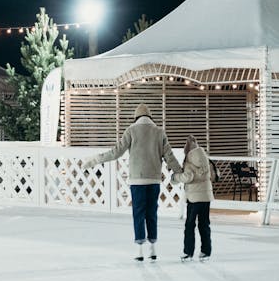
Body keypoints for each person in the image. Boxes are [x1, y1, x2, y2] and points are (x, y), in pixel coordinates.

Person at [83, 103, 182, 262]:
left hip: (137, 180)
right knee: (151, 213)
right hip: (154, 179)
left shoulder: (131, 131)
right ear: (150, 117)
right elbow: (169, 156)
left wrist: (95, 160)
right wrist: (179, 172)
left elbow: (116, 152)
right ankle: (153, 247)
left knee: (138, 213)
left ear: (136, 117)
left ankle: (139, 249)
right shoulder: (159, 132)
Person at [171, 134, 213, 262]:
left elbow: (187, 177)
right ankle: (206, 251)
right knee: (204, 224)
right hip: (206, 197)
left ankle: (188, 252)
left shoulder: (190, 160)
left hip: (194, 198)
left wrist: (175, 178)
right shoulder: (204, 158)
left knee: (190, 225)